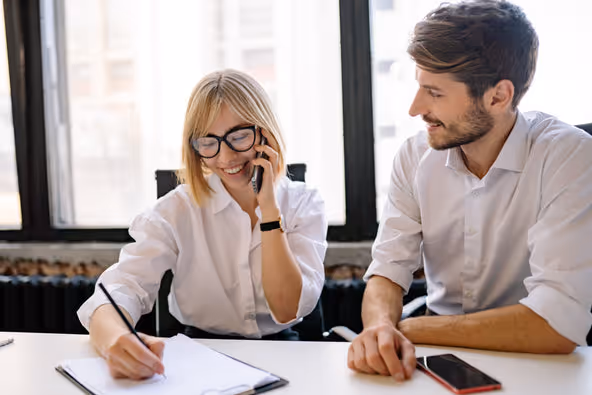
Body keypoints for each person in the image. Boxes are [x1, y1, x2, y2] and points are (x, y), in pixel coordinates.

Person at [348, 0, 592, 382]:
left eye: (435, 93)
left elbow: (555, 324)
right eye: (418, 86)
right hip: (431, 360)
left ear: (498, 97)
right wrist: (380, 326)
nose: (415, 109)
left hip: (537, 365)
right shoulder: (414, 157)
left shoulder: (568, 155)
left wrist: (408, 330)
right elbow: (388, 270)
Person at [78, 69, 328, 380]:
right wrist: (115, 339)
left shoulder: (304, 203)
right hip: (199, 354)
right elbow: (120, 289)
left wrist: (268, 209)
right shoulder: (176, 209)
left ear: (264, 133)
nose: (225, 156)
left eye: (238, 137)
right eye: (208, 142)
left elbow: (286, 309)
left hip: (284, 353)